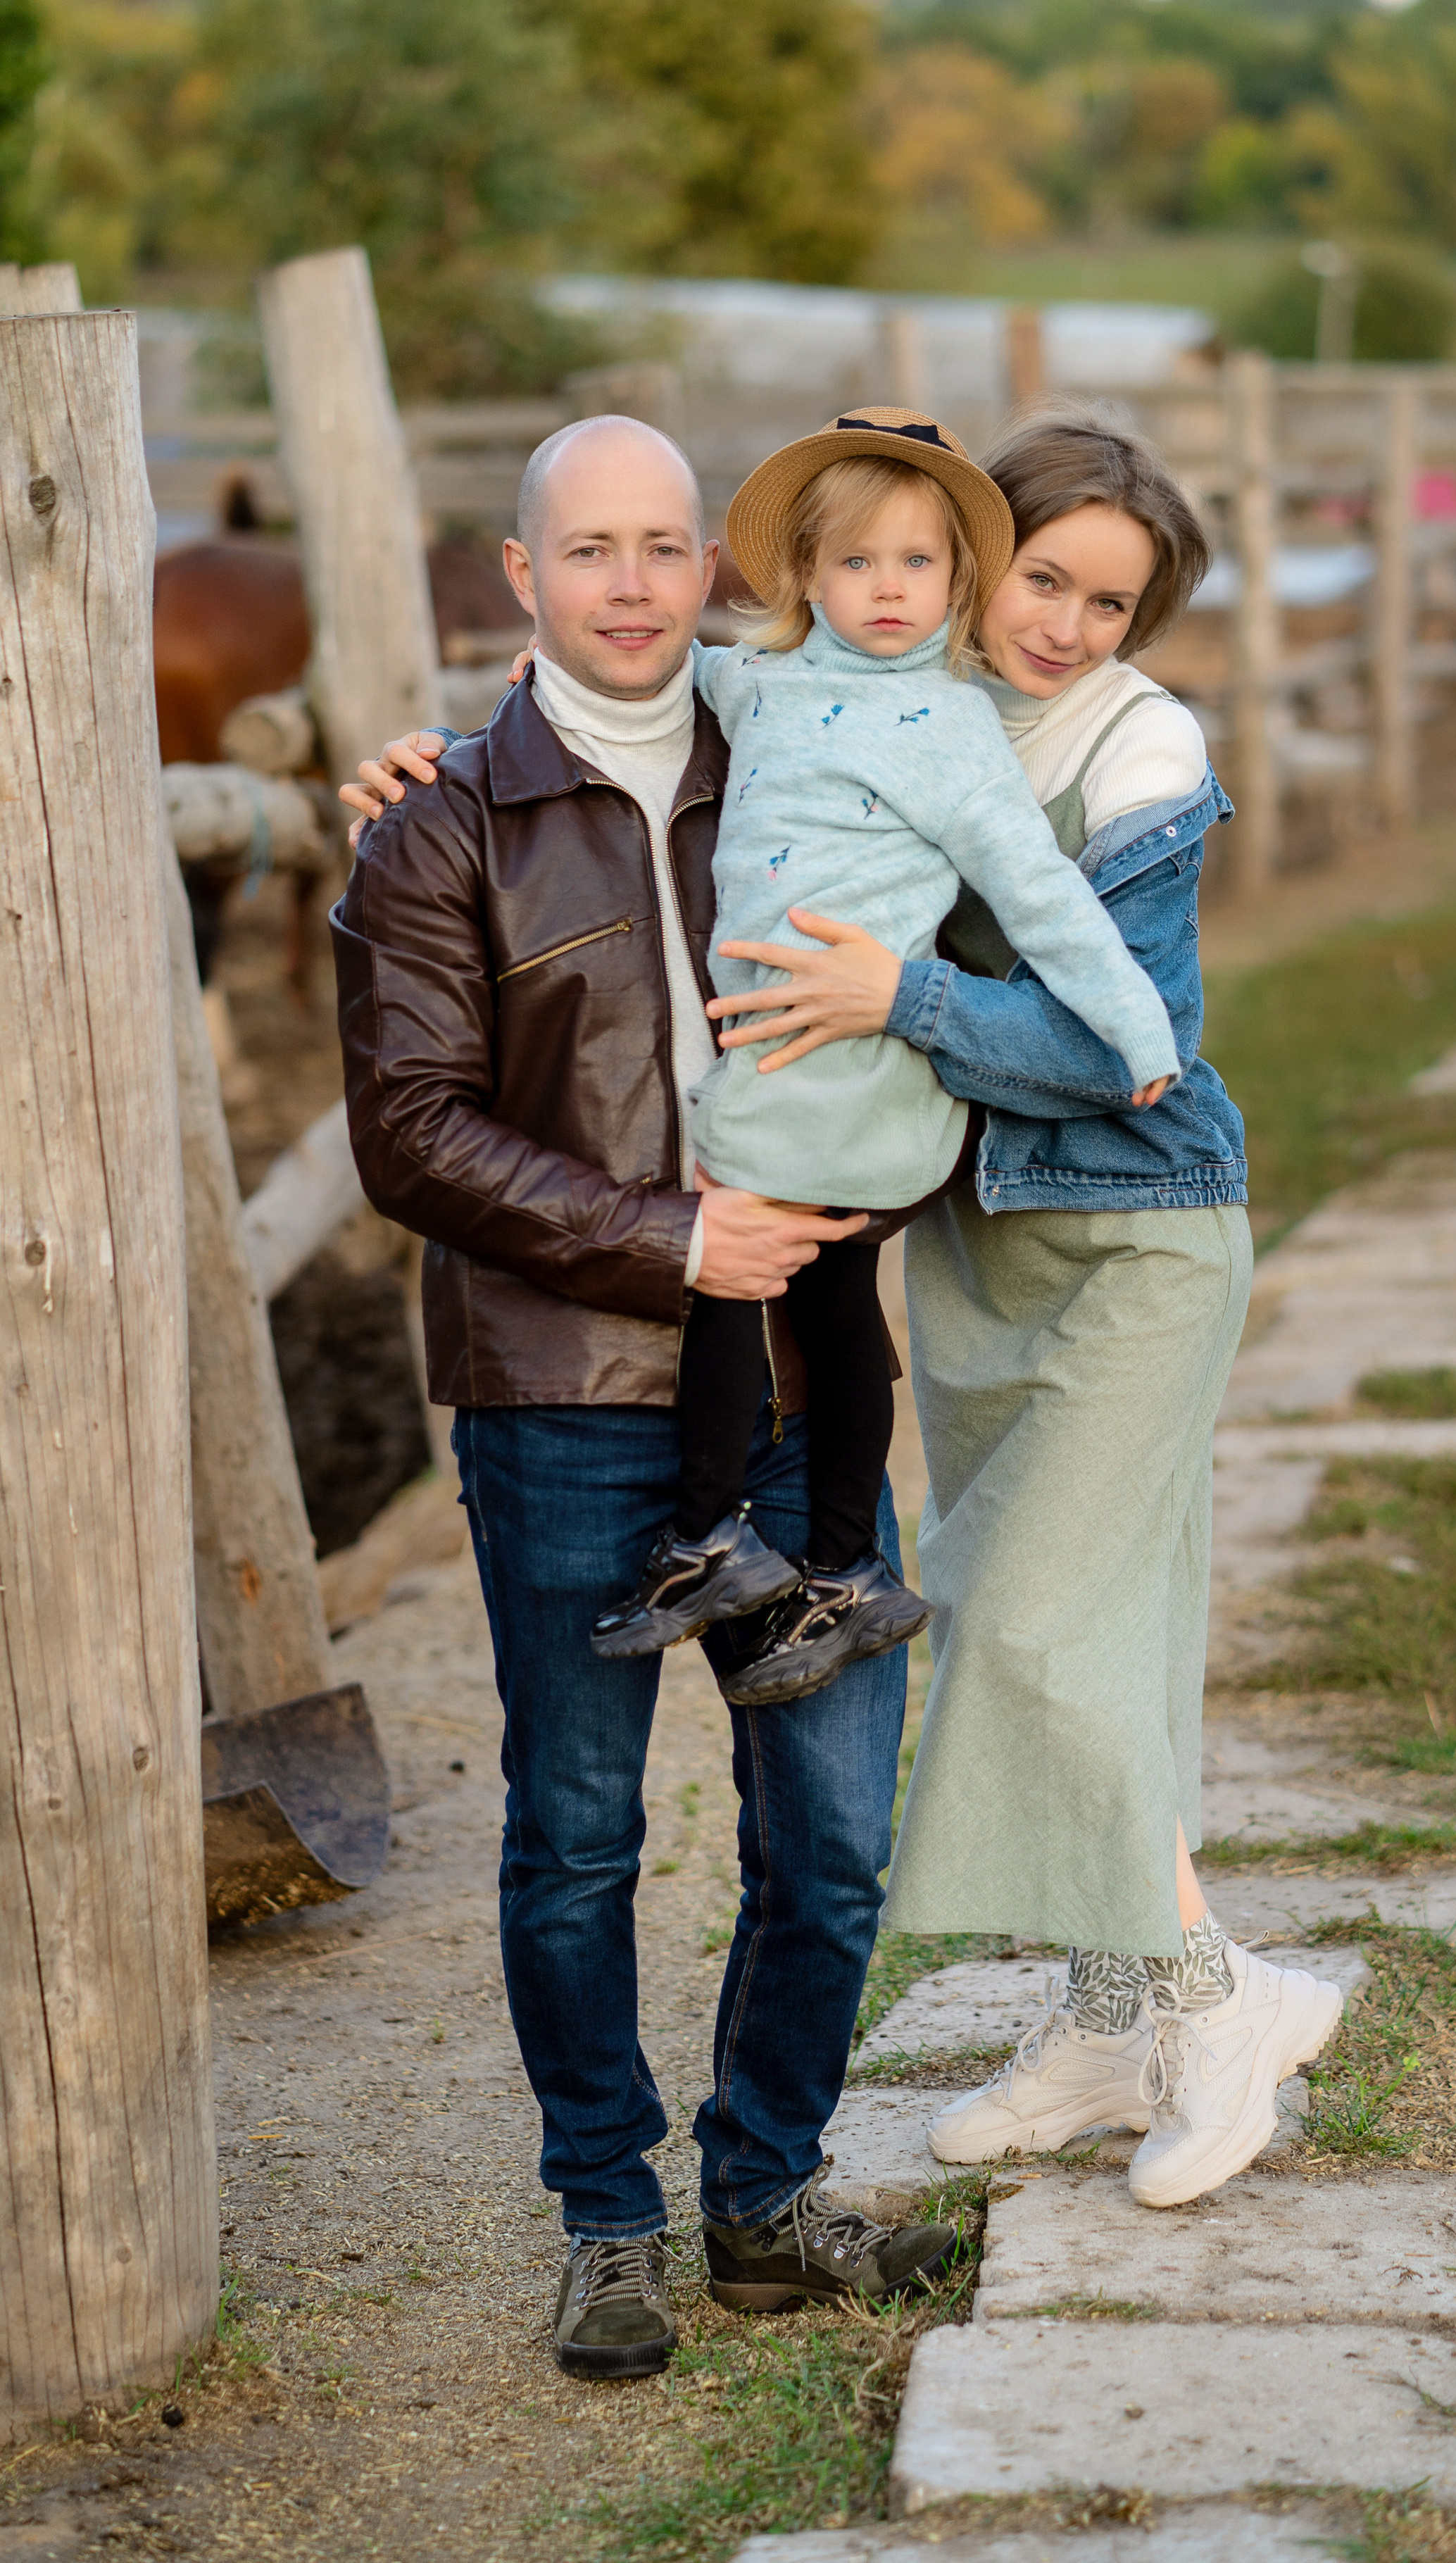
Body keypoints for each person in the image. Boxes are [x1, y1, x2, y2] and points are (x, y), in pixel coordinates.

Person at [349, 404, 1346, 2217]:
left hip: (1070, 1245)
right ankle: (1077, 2026)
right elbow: (624, 703)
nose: (1058, 622)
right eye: (1039, 578)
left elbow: (1126, 1039)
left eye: (1103, 603)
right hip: (868, 1279)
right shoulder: (777, 714)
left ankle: (1194, 2005)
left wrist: (898, 995)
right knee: (657, 1802)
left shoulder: (1085, 750)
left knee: (997, 1668)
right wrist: (443, 750)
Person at [330, 413, 960, 2385]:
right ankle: (609, 2216)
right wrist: (671, 1239)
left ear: (716, 570)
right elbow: (412, 1132)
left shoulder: (808, 750)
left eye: (665, 546)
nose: (628, 584)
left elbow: (1002, 764)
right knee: (580, 1836)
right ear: (519, 576)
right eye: (586, 549)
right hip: (566, 1399)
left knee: (837, 1836)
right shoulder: (441, 823)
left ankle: (767, 2196)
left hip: (800, 1393)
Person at [594, 409, 1179, 1705]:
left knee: (733, 1268)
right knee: (829, 1299)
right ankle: (846, 1567)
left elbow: (1042, 897)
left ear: (957, 583)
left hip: (837, 1063)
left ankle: (707, 1538)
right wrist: (499, 710)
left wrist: (1137, 1032)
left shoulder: (950, 730)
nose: (890, 590)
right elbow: (639, 682)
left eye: (919, 565)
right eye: (858, 564)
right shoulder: (761, 680)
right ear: (804, 577)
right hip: (789, 1053)